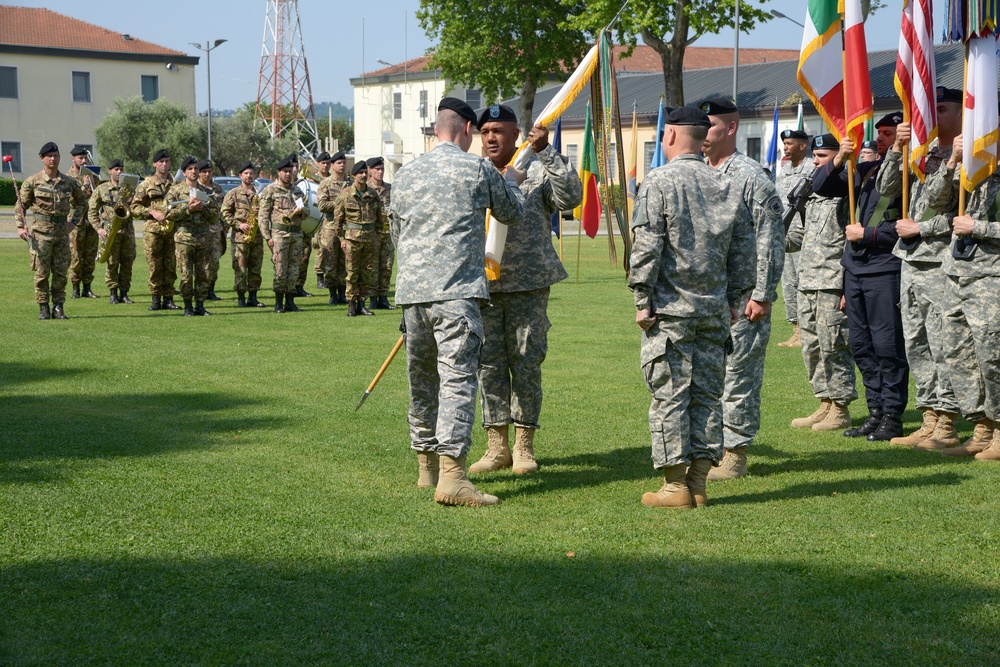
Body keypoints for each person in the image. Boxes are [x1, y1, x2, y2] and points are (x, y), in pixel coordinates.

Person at [389, 96, 525, 507]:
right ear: (467, 129)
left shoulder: (406, 174)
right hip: (456, 294)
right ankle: (452, 476)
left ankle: (426, 468)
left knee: (421, 382)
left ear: (436, 129)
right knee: (457, 380)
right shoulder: (477, 166)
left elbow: (397, 232)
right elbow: (511, 213)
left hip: (413, 295)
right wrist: (514, 180)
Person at [629, 106, 756, 509]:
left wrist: (641, 300)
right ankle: (698, 484)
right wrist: (735, 301)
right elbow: (743, 252)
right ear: (703, 138)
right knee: (706, 396)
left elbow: (647, 247)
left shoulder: (660, 181)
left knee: (670, 395)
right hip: (714, 311)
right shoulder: (726, 182)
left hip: (671, 310)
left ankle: (673, 487)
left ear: (669, 136)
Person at [466, 104, 582, 476]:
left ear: (516, 135)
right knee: (489, 366)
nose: (490, 138)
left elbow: (571, 198)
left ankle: (524, 446)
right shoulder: (473, 173)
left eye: (498, 131)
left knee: (527, 363)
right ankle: (496, 445)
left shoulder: (535, 171)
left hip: (528, 284)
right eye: (484, 132)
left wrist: (547, 152)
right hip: (483, 285)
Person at [698, 98, 784, 480]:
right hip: (705, 295)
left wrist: (763, 293)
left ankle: (735, 454)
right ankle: (708, 448)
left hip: (742, 296)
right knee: (705, 376)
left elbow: (770, 238)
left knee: (739, 377)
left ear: (731, 128)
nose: (703, 133)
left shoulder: (751, 177)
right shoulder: (696, 172)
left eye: (711, 125)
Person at [813, 112, 909, 441]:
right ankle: (875, 411)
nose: (881, 137)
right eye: (880, 132)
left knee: (886, 346)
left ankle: (893, 415)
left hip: (884, 268)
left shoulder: (909, 173)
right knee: (861, 345)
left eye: (889, 133)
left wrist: (867, 235)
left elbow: (911, 229)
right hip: (854, 269)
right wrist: (840, 156)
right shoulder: (867, 169)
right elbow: (822, 186)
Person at [877, 87, 963, 449]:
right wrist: (897, 150)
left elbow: (954, 211)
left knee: (945, 343)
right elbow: (885, 190)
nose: (933, 115)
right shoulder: (918, 151)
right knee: (917, 343)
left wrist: (922, 227)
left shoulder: (973, 154)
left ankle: (947, 420)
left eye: (941, 109)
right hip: (911, 258)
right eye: (931, 108)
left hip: (943, 257)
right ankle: (928, 415)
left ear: (962, 113)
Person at [920, 140, 997, 458]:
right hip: (956, 273)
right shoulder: (973, 171)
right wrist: (952, 160)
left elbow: (972, 223)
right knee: (957, 355)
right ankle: (982, 426)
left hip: (991, 277)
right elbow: (935, 202)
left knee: (992, 358)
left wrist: (979, 227)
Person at [786, 134, 857, 430]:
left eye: (822, 157)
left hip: (832, 281)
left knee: (834, 345)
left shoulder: (848, 194)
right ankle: (824, 402)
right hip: (808, 280)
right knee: (812, 346)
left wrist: (847, 286)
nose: (815, 162)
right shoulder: (811, 196)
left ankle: (840, 408)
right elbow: (798, 237)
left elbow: (852, 243)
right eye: (814, 156)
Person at [16, 141, 87, 320]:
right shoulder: (33, 182)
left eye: (55, 156)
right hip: (41, 234)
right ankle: (43, 308)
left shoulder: (68, 182)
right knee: (41, 273)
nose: (53, 159)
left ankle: (58, 307)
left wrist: (74, 222)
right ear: (42, 159)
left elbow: (82, 202)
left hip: (62, 233)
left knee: (61, 272)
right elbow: (21, 205)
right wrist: (20, 226)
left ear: (59, 158)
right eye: (49, 156)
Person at [167, 156, 221, 316]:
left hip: (204, 238)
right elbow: (168, 213)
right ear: (184, 172)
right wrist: (187, 210)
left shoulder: (205, 192)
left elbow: (215, 216)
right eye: (190, 169)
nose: (194, 171)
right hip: (184, 238)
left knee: (204, 273)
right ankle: (187, 306)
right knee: (185, 274)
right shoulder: (175, 191)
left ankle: (200, 305)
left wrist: (202, 209)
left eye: (196, 169)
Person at [775, 129, 813, 348]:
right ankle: (796, 330)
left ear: (802, 146)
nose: (785, 148)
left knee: (803, 282)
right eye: (784, 144)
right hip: (785, 233)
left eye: (789, 144)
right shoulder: (785, 170)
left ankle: (807, 330)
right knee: (788, 283)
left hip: (804, 234)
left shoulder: (812, 169)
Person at [335, 160, 386, 317]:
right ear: (354, 175)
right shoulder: (345, 195)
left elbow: (380, 219)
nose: (363, 175)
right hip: (352, 240)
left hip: (370, 240)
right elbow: (338, 220)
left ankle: (362, 304)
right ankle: (351, 304)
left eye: (365, 172)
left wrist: (378, 237)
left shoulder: (373, 195)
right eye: (360, 173)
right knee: (352, 272)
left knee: (367, 273)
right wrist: (341, 239)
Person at [131, 148, 180, 311]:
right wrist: (151, 212)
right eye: (161, 162)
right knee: (154, 265)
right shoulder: (146, 184)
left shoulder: (176, 184)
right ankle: (155, 298)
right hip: (153, 231)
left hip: (172, 230)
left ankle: (169, 298)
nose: (164, 165)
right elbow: (134, 207)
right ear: (155, 164)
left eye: (167, 161)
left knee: (171, 265)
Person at [258, 155, 308, 313]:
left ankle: (290, 302)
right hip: (279, 235)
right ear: (278, 172)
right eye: (285, 171)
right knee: (280, 269)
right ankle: (279, 302)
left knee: (294, 269)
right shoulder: (270, 190)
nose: (288, 174)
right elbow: (263, 216)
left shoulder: (297, 190)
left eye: (290, 171)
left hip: (296, 234)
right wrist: (267, 237)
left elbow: (306, 214)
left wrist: (302, 211)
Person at [88, 158, 136, 305]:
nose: (119, 172)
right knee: (112, 263)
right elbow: (92, 210)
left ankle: (124, 293)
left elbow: (137, 209)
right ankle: (113, 293)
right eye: (116, 169)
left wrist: (130, 204)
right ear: (109, 171)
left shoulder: (129, 188)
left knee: (127, 262)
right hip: (110, 230)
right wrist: (98, 228)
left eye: (121, 169)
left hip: (127, 230)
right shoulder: (102, 188)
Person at [222, 161, 267, 308]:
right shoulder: (233, 193)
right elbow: (225, 213)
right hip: (240, 238)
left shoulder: (259, 194)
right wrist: (239, 224)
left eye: (251, 173)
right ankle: (241, 298)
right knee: (240, 268)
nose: (249, 176)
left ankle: (253, 297)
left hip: (257, 237)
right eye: (246, 173)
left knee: (255, 268)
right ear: (240, 175)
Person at [317, 150, 351, 304]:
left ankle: (342, 293)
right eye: (339, 163)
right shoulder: (326, 184)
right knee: (330, 261)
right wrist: (340, 202)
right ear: (332, 165)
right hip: (330, 228)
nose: (342, 165)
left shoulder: (350, 184)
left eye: (344, 163)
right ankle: (332, 294)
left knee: (345, 262)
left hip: (347, 228)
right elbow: (322, 205)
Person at [67, 145, 101, 299]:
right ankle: (75, 287)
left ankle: (87, 287)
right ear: (73, 158)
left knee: (90, 254)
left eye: (85, 158)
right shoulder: (68, 177)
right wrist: (86, 185)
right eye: (80, 158)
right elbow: (71, 200)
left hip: (91, 221)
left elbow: (99, 193)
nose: (84, 160)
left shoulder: (92, 175)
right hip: (76, 221)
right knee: (76, 256)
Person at [366, 155, 396, 310]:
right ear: (370, 170)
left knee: (387, 266)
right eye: (377, 169)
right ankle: (372, 298)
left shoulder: (390, 189)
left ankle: (383, 298)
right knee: (372, 267)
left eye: (382, 169)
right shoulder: (366, 189)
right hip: (372, 234)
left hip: (387, 233)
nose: (380, 172)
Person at [197, 159, 226, 302]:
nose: (207, 174)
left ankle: (210, 290)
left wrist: (224, 229)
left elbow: (223, 210)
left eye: (209, 171)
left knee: (214, 263)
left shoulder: (218, 189)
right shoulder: (196, 189)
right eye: (204, 172)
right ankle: (200, 290)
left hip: (216, 232)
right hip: (200, 231)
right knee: (201, 263)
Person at [313, 151, 333, 289]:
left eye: (327, 163)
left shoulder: (333, 180)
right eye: (323, 163)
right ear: (318, 164)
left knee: (330, 249)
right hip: (315, 218)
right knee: (319, 249)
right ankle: (319, 277)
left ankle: (330, 277)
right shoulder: (311, 179)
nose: (325, 166)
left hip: (329, 219)